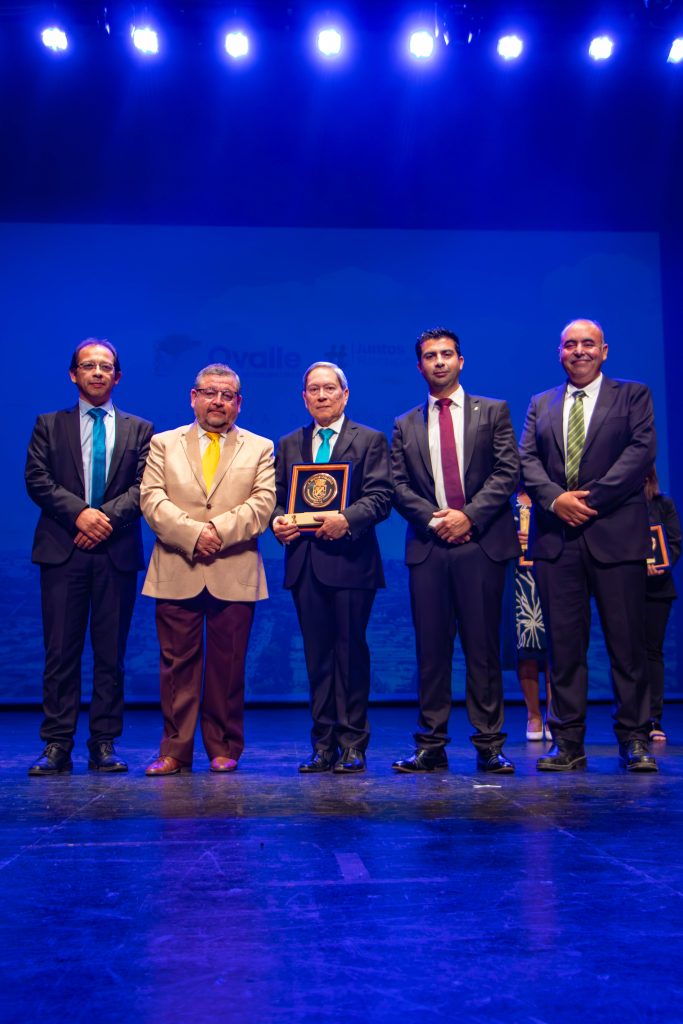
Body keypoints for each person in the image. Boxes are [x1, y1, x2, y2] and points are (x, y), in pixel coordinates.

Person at [520, 318, 658, 772]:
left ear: (604, 351)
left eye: (588, 344)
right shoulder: (541, 403)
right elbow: (526, 461)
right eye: (570, 345)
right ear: (559, 352)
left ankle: (635, 739)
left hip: (616, 536)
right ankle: (568, 743)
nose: (579, 351)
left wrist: (588, 501)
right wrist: (556, 500)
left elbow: (640, 453)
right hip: (557, 540)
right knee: (563, 649)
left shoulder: (632, 396)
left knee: (627, 645)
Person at [391, 328, 521, 774]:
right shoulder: (405, 423)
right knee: (431, 651)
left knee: (482, 649)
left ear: (461, 361)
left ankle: (489, 745)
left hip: (481, 545)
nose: (440, 362)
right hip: (429, 547)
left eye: (447, 354)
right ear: (420, 366)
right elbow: (398, 486)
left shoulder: (493, 411)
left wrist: (468, 517)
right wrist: (436, 520)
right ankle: (431, 744)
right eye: (431, 356)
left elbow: (507, 472)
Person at [25, 338, 153, 775]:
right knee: (60, 651)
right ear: (73, 374)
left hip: (115, 552)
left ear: (117, 376)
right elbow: (37, 479)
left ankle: (104, 742)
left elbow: (144, 487)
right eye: (88, 365)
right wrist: (80, 514)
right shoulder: (49, 424)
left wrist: (103, 519)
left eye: (105, 366)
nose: (97, 372)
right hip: (62, 550)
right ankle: (57, 744)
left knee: (110, 653)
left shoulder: (140, 429)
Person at [141, 363, 275, 775]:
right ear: (193, 397)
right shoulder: (163, 443)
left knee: (228, 667)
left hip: (233, 568)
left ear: (238, 403)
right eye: (210, 393)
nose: (218, 401)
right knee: (176, 667)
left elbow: (263, 503)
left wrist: (216, 531)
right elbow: (152, 499)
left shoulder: (260, 447)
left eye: (227, 395)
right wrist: (194, 534)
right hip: (177, 565)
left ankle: (223, 746)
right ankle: (175, 751)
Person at [272, 361, 392, 774]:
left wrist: (347, 519)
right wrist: (277, 521)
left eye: (329, 388)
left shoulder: (370, 440)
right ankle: (323, 745)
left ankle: (353, 743)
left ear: (345, 394)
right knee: (317, 657)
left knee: (350, 654)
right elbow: (275, 498)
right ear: (304, 397)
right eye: (314, 389)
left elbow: (381, 497)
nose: (321, 395)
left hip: (351, 562)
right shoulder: (289, 443)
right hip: (305, 564)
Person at [644, 465, 680, 742]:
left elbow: (675, 543)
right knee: (626, 654)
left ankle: (653, 718)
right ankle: (631, 717)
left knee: (652, 652)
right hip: (625, 588)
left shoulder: (663, 503)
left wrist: (662, 565)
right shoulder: (618, 505)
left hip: (658, 589)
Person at [514, 489, 552, 741]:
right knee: (525, 647)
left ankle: (554, 715)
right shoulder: (505, 499)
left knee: (553, 648)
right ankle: (533, 715)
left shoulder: (549, 494)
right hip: (517, 577)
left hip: (549, 570)